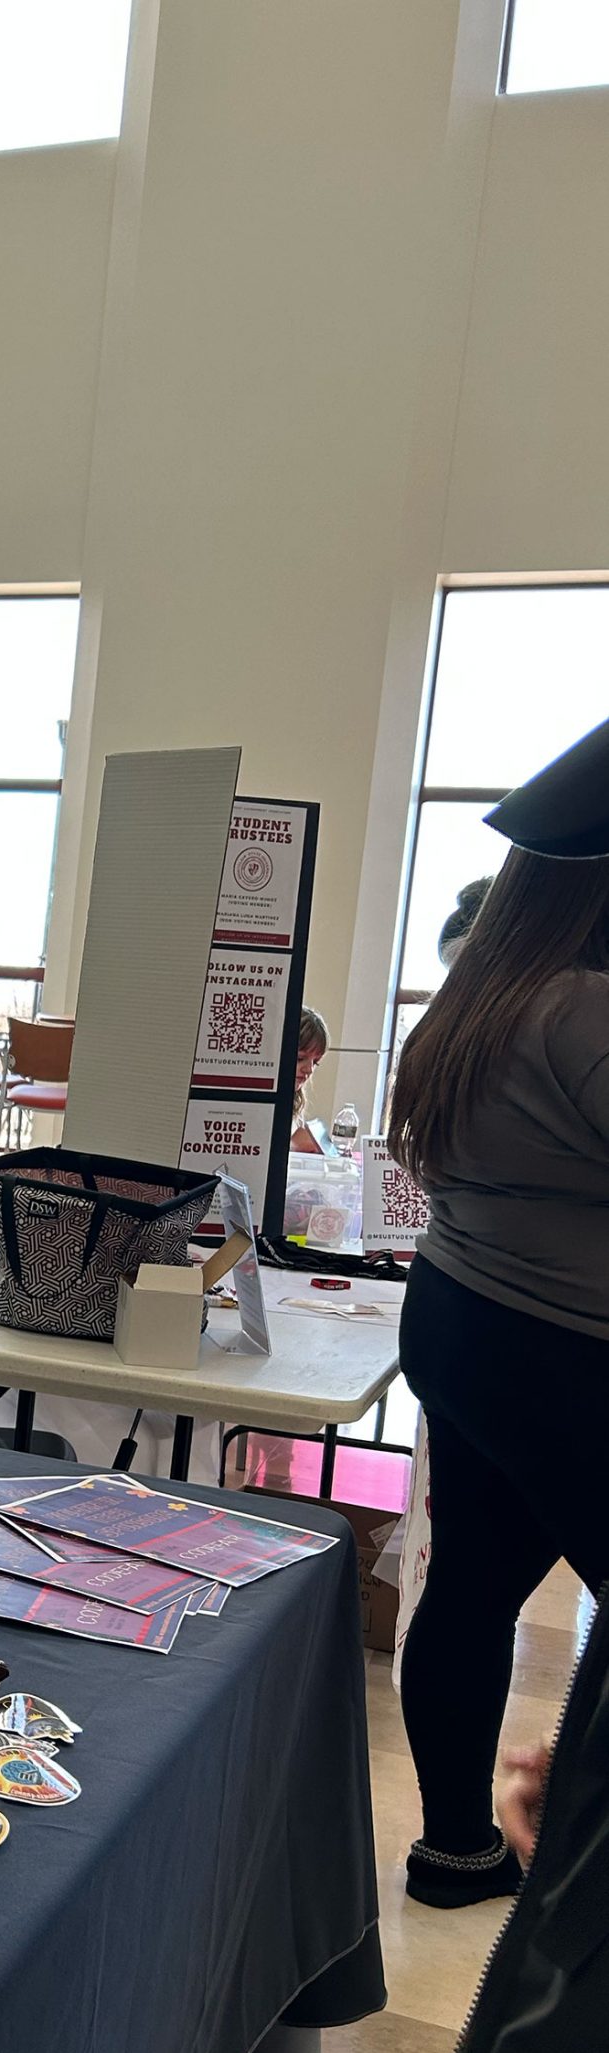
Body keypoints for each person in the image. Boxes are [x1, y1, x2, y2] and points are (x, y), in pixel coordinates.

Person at [386, 713, 609, 1906]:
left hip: (465, 1320)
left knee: (471, 1583)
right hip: (566, 1352)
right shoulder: (582, 1010)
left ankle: (453, 1847)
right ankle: (571, 1867)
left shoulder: (483, 993)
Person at [289, 1004, 330, 1150]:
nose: (309, 1069)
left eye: (316, 1062)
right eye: (300, 1058)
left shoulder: (294, 1099)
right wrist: (292, 1147)